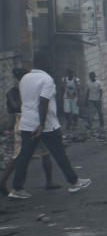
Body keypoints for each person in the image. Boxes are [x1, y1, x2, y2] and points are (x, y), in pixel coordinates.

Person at [8, 59, 91, 199]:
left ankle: (17, 188)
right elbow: (43, 102)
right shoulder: (47, 80)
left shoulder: (24, 79)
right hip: (46, 125)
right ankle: (73, 182)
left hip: (27, 123)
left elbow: (28, 101)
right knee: (59, 153)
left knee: (24, 155)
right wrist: (40, 125)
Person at [0, 68, 58, 195]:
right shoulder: (16, 91)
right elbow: (15, 107)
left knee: (43, 153)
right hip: (25, 122)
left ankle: (49, 182)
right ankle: (5, 183)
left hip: (30, 122)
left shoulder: (18, 90)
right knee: (20, 155)